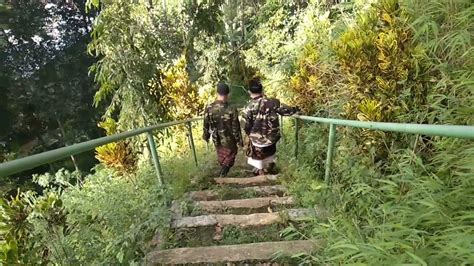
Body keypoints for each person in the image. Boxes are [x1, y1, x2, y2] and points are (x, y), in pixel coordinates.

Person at [242, 78, 299, 175]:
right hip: (271, 139)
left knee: (257, 154)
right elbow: (287, 111)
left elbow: (246, 126)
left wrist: (250, 135)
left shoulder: (248, 107)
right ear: (262, 90)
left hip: (256, 141)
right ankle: (267, 170)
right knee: (269, 154)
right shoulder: (273, 102)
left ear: (249, 92)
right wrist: (296, 110)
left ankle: (260, 172)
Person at [203, 83, 243, 177]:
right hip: (230, 138)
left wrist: (206, 136)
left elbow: (206, 123)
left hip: (217, 138)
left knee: (222, 155)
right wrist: (239, 140)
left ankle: (222, 173)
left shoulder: (209, 107)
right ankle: (223, 174)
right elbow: (236, 126)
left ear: (217, 93)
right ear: (228, 94)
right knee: (231, 155)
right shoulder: (231, 108)